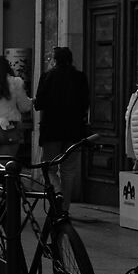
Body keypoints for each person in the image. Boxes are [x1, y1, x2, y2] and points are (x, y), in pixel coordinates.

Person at [33, 45, 91, 191]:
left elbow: (39, 104)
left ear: (54, 60)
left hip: (51, 129)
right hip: (74, 129)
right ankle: (64, 208)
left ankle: (56, 198)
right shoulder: (80, 77)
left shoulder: (47, 76)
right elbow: (85, 103)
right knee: (69, 170)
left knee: (49, 167)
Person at [0, 53, 34, 164]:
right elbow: (24, 107)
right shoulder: (16, 82)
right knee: (6, 168)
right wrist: (31, 101)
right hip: (10, 128)